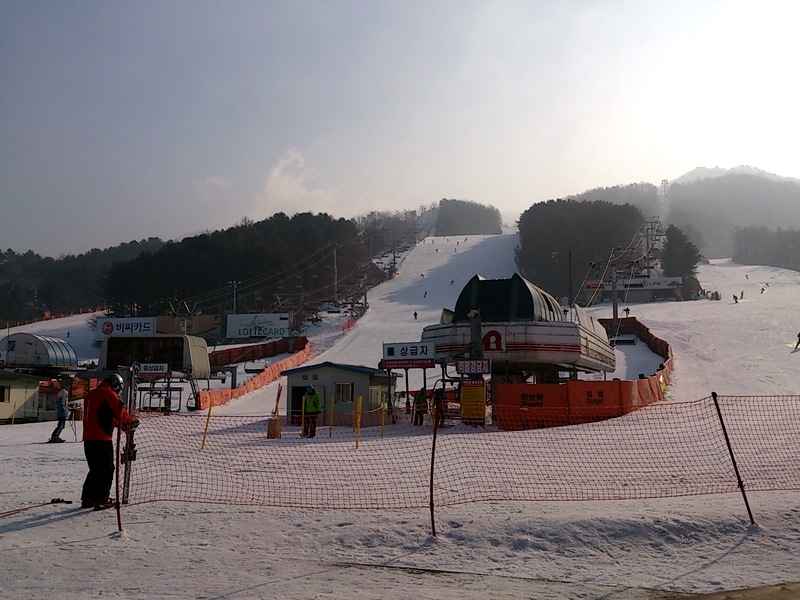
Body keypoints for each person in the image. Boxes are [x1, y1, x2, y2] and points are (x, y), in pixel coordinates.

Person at [81, 373, 137, 510]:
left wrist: (118, 424)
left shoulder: (91, 395)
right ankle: (101, 499)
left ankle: (88, 498)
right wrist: (131, 421)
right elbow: (119, 412)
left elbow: (103, 415)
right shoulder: (109, 394)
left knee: (95, 469)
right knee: (107, 469)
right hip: (102, 437)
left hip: (88, 438)